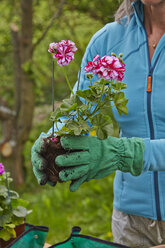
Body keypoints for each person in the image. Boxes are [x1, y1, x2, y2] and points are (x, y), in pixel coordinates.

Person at [31, 0, 165, 247]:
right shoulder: (109, 40)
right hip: (131, 221)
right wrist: (51, 138)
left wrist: (127, 154)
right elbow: (79, 110)